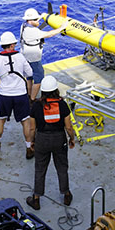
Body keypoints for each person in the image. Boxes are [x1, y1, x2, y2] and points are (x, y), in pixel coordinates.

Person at [25, 75, 75, 210]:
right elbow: (68, 127)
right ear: (56, 90)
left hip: (42, 139)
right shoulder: (62, 105)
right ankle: (66, 195)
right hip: (59, 139)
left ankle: (36, 199)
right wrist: (72, 138)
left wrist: (32, 142)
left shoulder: (36, 106)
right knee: (62, 167)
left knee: (40, 169)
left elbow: (32, 128)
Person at [20, 8, 67, 101]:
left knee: (29, 77)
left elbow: (34, 22)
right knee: (39, 79)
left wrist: (42, 16)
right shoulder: (33, 31)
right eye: (36, 19)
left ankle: (29, 96)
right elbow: (49, 34)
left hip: (25, 55)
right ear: (30, 20)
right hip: (33, 58)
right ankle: (32, 99)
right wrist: (62, 27)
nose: (38, 21)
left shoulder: (24, 25)